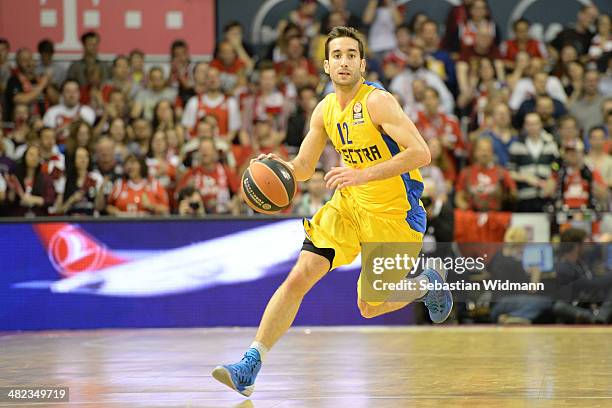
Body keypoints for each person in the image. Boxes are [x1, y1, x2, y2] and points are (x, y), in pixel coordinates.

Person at [212, 26, 452, 397]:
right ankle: (250, 364)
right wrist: (282, 168)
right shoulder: (324, 110)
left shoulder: (378, 102)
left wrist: (361, 174)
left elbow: (421, 153)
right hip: (348, 206)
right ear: (326, 65)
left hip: (395, 215)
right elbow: (304, 166)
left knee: (369, 306)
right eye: (337, 55)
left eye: (351, 55)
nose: (344, 61)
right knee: (299, 277)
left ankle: (425, 285)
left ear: (362, 64)